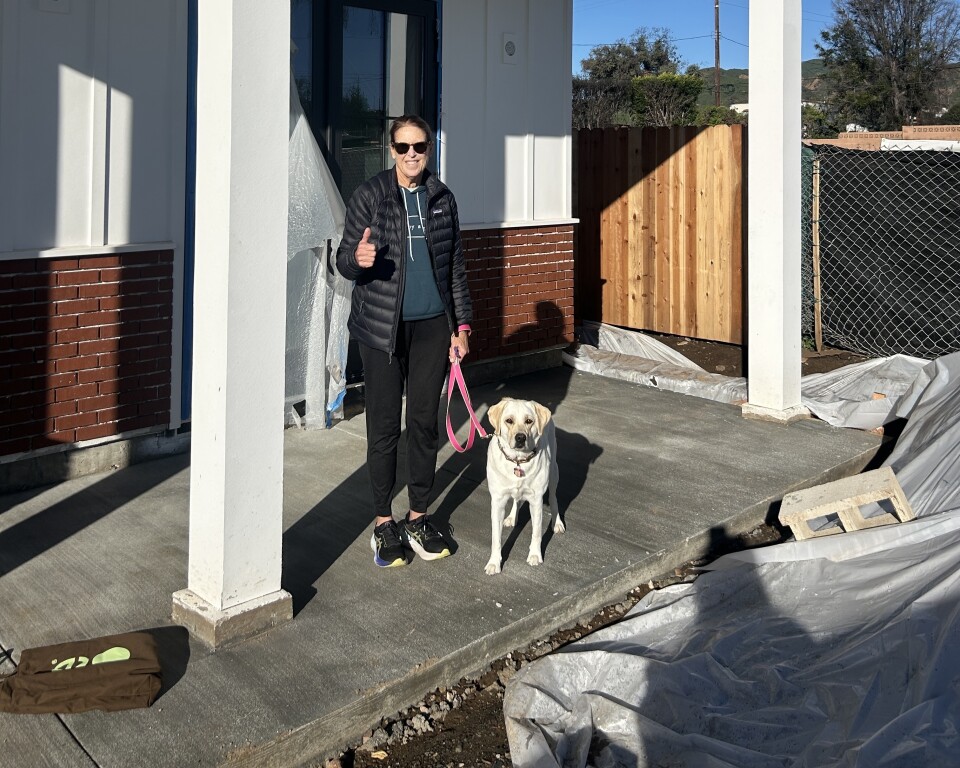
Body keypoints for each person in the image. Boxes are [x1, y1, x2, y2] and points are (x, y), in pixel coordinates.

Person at [336, 115, 473, 568]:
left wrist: (461, 327)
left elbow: (454, 267)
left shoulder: (442, 198)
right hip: (381, 331)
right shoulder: (370, 196)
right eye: (402, 147)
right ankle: (382, 522)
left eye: (419, 146)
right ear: (390, 149)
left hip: (433, 328)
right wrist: (358, 259)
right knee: (382, 429)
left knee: (424, 425)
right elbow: (343, 260)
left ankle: (418, 515)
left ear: (429, 148)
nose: (411, 154)